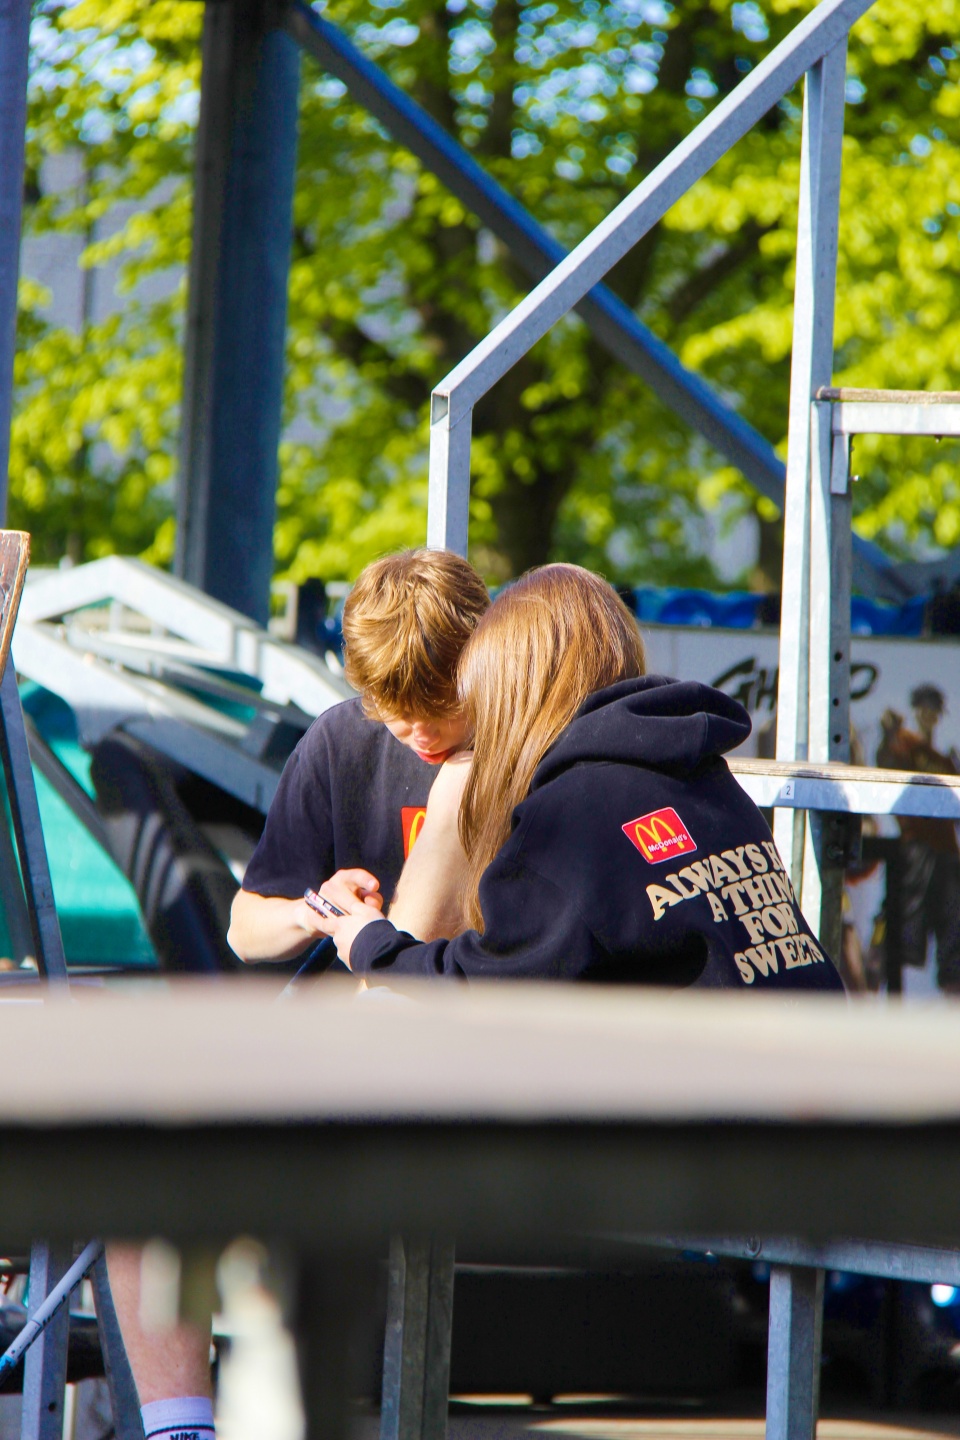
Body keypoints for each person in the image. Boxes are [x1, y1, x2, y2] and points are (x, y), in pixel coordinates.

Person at [109, 549, 488, 1440]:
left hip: (439, 1056)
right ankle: (180, 1425)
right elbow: (246, 928)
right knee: (123, 1144)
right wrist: (316, 913)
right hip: (325, 1050)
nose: (414, 732)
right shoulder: (340, 739)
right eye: (391, 713)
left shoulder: (517, 748)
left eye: (434, 708)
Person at [312, 564, 845, 993]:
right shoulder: (706, 780)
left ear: (517, 687)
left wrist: (371, 942)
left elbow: (482, 986)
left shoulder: (573, 813)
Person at [876, 684, 960, 992]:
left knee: (953, 931)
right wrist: (888, 736)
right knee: (903, 926)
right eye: (926, 708)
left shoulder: (944, 758)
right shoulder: (904, 742)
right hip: (916, 849)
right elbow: (886, 764)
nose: (930, 715)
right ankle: (883, 993)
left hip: (946, 853)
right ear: (917, 711)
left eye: (935, 710)